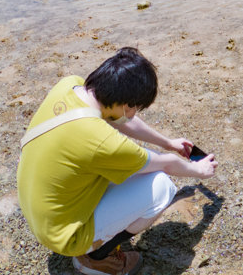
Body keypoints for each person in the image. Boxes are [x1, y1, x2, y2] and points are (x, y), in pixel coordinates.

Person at [17, 47, 217, 275]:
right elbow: (166, 164)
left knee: (117, 169)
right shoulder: (103, 142)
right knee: (162, 186)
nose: (134, 114)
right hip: (62, 236)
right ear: (126, 105)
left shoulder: (70, 86)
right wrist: (199, 170)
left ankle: (94, 242)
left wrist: (168, 142)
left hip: (37, 210)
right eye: (135, 108)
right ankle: (96, 258)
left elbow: (122, 120)